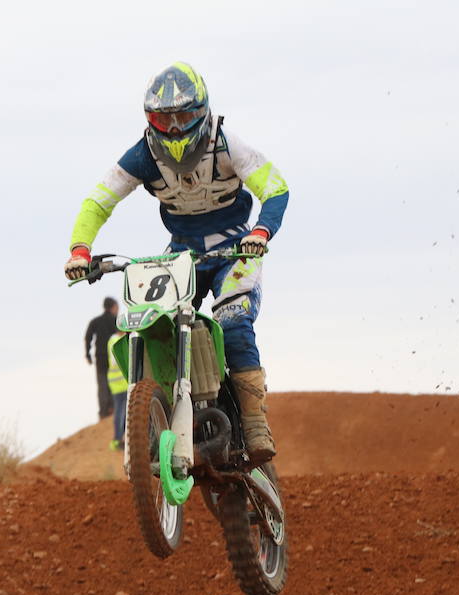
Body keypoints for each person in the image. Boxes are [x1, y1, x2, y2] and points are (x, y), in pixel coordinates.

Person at [63, 62, 290, 461]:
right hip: (183, 251)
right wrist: (80, 249)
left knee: (234, 323)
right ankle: (160, 416)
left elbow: (276, 188)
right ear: (149, 120)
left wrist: (260, 232)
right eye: (162, 119)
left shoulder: (226, 143)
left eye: (183, 116)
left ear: (201, 112)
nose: (173, 128)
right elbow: (99, 201)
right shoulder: (143, 154)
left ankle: (254, 422)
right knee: (156, 323)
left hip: (235, 248)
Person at [84, 297, 119, 420]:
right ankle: (113, 409)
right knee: (114, 382)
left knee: (102, 383)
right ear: (113, 307)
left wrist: (87, 354)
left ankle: (104, 412)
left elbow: (88, 337)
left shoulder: (95, 321)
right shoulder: (116, 321)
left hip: (99, 356)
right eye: (117, 307)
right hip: (113, 356)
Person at [107, 330, 128, 450]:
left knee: (121, 410)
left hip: (117, 382)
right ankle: (118, 439)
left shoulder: (112, 340)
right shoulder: (116, 341)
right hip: (120, 382)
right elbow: (117, 361)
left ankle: (119, 439)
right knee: (121, 411)